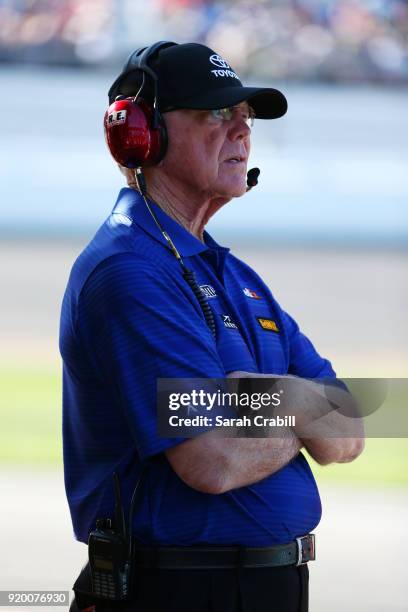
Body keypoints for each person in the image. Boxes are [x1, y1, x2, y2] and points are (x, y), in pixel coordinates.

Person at [60, 41, 364, 612]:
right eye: (217, 114)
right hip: (179, 588)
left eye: (245, 118)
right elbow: (214, 457)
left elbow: (352, 429)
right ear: (140, 136)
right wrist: (298, 400)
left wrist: (265, 400)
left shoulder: (237, 275)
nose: (242, 133)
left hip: (265, 585)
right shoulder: (128, 271)